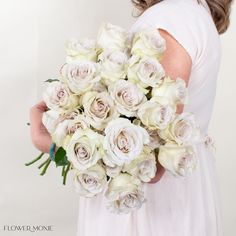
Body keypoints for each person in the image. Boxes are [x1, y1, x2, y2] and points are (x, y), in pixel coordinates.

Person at [30, 0, 233, 235]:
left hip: (151, 212)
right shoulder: (190, 13)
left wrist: (48, 141)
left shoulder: (173, 19)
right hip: (176, 199)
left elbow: (151, 165)